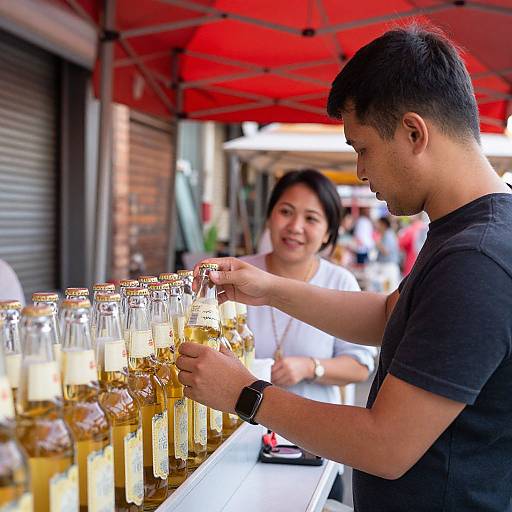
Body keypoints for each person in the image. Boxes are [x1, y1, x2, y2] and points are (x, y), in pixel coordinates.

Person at [176, 24, 512, 512]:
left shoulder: (476, 258)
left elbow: (386, 446)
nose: (359, 171)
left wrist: (244, 393)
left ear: (414, 132)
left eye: (363, 147)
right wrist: (269, 287)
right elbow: (384, 314)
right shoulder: (463, 234)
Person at [244, 169, 377, 502]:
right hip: (238, 442)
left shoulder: (340, 283)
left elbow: (360, 366)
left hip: (312, 448)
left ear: (329, 231)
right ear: (270, 215)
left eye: (311, 218)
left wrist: (311, 367)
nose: (295, 227)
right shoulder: (237, 275)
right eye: (286, 211)